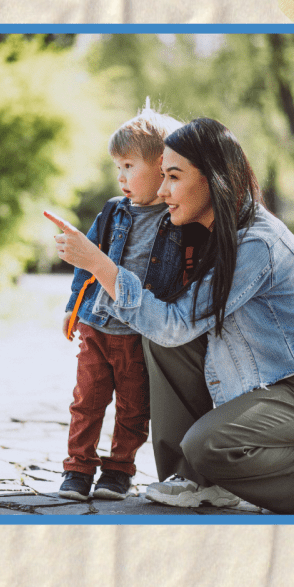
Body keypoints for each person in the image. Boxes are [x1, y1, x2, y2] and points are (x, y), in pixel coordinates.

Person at [47, 117, 294, 514]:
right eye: (162, 176)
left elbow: (175, 325)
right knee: (160, 341)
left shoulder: (256, 244)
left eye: (174, 177)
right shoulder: (208, 233)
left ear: (213, 178)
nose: (162, 191)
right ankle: (194, 480)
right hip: (260, 381)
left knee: (208, 445)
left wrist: (100, 265)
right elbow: (170, 324)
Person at [54, 103, 185, 501]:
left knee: (133, 408)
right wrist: (73, 306)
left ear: (162, 166)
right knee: (86, 401)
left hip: (138, 335)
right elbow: (87, 260)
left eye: (129, 166)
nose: (121, 176)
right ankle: (77, 469)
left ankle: (118, 470)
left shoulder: (176, 218)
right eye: (118, 167)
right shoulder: (114, 211)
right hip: (96, 325)